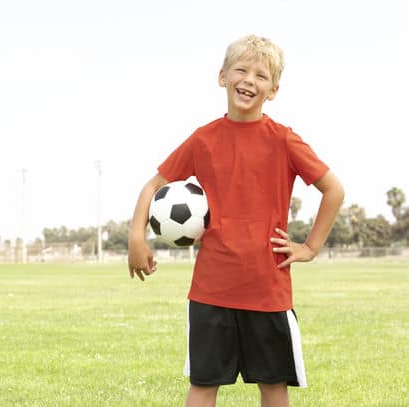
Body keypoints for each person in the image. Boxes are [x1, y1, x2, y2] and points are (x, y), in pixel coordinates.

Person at [127, 35, 344, 407]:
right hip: (212, 289)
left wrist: (310, 247)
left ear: (273, 90)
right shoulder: (203, 140)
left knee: (274, 386)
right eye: (241, 70)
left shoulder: (284, 141)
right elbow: (153, 186)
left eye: (261, 75)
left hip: (268, 290)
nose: (249, 80)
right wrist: (136, 237)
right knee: (203, 384)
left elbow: (333, 189)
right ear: (222, 77)